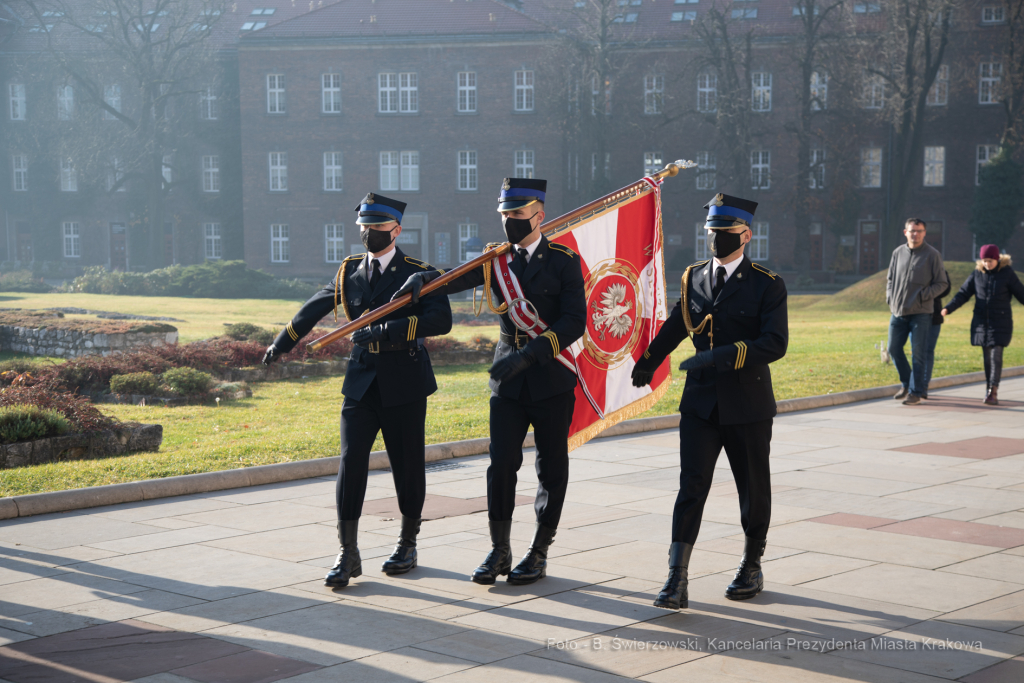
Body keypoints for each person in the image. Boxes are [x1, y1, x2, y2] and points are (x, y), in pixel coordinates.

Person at [394, 178, 586, 586]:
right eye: (504, 215)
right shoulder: (495, 260)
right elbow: (454, 278)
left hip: (551, 376)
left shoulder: (564, 260)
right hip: (508, 383)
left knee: (551, 468)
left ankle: (538, 551)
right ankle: (500, 549)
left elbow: (574, 321)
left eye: (516, 215)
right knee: (501, 466)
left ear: (539, 216)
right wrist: (423, 279)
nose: (509, 222)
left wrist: (529, 355)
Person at [262, 193, 452, 587]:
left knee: (407, 464)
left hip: (404, 380)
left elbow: (440, 320)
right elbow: (314, 307)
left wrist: (389, 329)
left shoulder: (417, 271)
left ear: (396, 230)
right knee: (351, 462)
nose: (369, 234)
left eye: (378, 228)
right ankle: (347, 552)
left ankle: (408, 542)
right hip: (362, 381)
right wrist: (282, 342)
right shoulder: (350, 271)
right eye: (364, 228)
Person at [631, 193, 788, 610]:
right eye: (711, 233)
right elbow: (679, 323)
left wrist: (724, 355)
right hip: (700, 403)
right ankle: (676, 577)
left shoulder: (766, 284)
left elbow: (775, 343)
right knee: (691, 486)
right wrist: (649, 358)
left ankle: (751, 565)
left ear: (746, 235)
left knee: (752, 487)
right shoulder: (695, 276)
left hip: (747, 403)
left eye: (724, 233)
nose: (715, 240)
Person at [941, 244, 1024, 406]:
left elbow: (1021, 293)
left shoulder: (1007, 274)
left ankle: (993, 391)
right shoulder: (977, 274)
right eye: (985, 260)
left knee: (995, 355)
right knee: (987, 358)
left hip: (1000, 321)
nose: (988, 264)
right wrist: (948, 308)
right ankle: (988, 389)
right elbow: (963, 293)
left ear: (997, 258)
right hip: (981, 322)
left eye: (991, 260)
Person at [885, 218, 949, 405]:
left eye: (919, 231)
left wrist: (924, 295)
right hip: (898, 312)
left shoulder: (932, 254)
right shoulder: (897, 253)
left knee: (918, 354)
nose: (916, 234)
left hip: (921, 313)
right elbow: (890, 279)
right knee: (893, 349)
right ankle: (907, 383)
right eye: (912, 231)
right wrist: (890, 297)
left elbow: (942, 283)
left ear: (924, 233)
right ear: (905, 232)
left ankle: (915, 392)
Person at [921, 269, 950, 399]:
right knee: (916, 351)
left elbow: (945, 288)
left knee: (928, 351)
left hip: (934, 316)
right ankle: (913, 384)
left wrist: (928, 292)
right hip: (913, 315)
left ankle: (923, 386)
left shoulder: (938, 269)